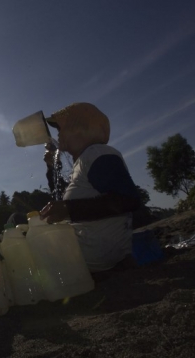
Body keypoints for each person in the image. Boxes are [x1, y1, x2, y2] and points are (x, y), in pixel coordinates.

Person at [39, 102, 140, 272]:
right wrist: (52, 168)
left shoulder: (98, 153)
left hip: (96, 256)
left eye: (61, 129)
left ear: (79, 128)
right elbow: (62, 197)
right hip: (98, 253)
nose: (59, 135)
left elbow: (128, 200)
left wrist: (69, 209)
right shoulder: (86, 160)